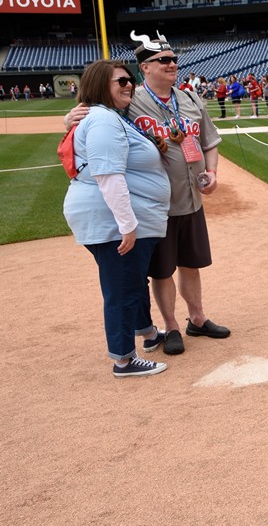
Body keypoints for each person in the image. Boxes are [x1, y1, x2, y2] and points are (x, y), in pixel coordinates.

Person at [66, 30, 230, 356]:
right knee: (162, 269)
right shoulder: (129, 100)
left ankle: (197, 317)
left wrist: (211, 173)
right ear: (146, 68)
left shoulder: (191, 98)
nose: (172, 64)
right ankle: (170, 326)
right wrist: (68, 119)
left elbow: (209, 142)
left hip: (191, 198)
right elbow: (87, 123)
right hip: (156, 206)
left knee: (191, 263)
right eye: (164, 60)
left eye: (174, 60)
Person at [63, 59, 170, 378]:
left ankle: (147, 333)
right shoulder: (104, 121)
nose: (128, 85)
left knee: (132, 280)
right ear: (99, 86)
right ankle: (124, 359)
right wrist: (128, 225)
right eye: (119, 81)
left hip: (116, 216)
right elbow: (108, 175)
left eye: (129, 81)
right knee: (121, 286)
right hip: (111, 219)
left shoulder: (109, 117)